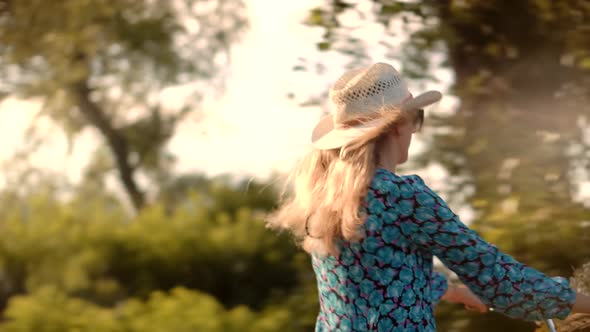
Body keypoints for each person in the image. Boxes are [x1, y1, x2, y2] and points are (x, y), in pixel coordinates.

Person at [266, 62, 590, 331]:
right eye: (416, 118)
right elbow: (499, 280)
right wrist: (582, 303)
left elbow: (376, 278)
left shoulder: (326, 199)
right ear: (398, 125)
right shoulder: (403, 197)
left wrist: (453, 292)